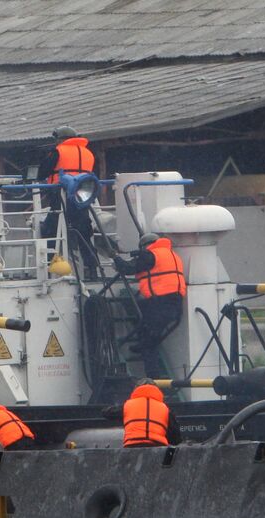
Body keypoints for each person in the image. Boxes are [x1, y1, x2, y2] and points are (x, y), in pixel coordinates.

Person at [114, 233, 186, 379]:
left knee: (148, 340)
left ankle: (153, 377)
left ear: (145, 246)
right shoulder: (172, 255)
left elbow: (128, 268)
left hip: (160, 303)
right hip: (175, 303)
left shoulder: (150, 255)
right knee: (149, 331)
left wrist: (115, 258)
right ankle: (141, 344)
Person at [37, 127, 98, 278]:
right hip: (82, 197)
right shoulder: (88, 153)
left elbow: (42, 172)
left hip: (61, 196)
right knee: (84, 233)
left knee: (50, 231)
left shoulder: (58, 152)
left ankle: (51, 268)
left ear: (60, 139)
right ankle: (92, 269)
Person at [121, 379, 181, 448]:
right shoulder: (165, 409)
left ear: (136, 389)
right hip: (158, 448)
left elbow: (110, 414)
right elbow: (176, 439)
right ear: (157, 390)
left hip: (132, 446)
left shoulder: (127, 405)